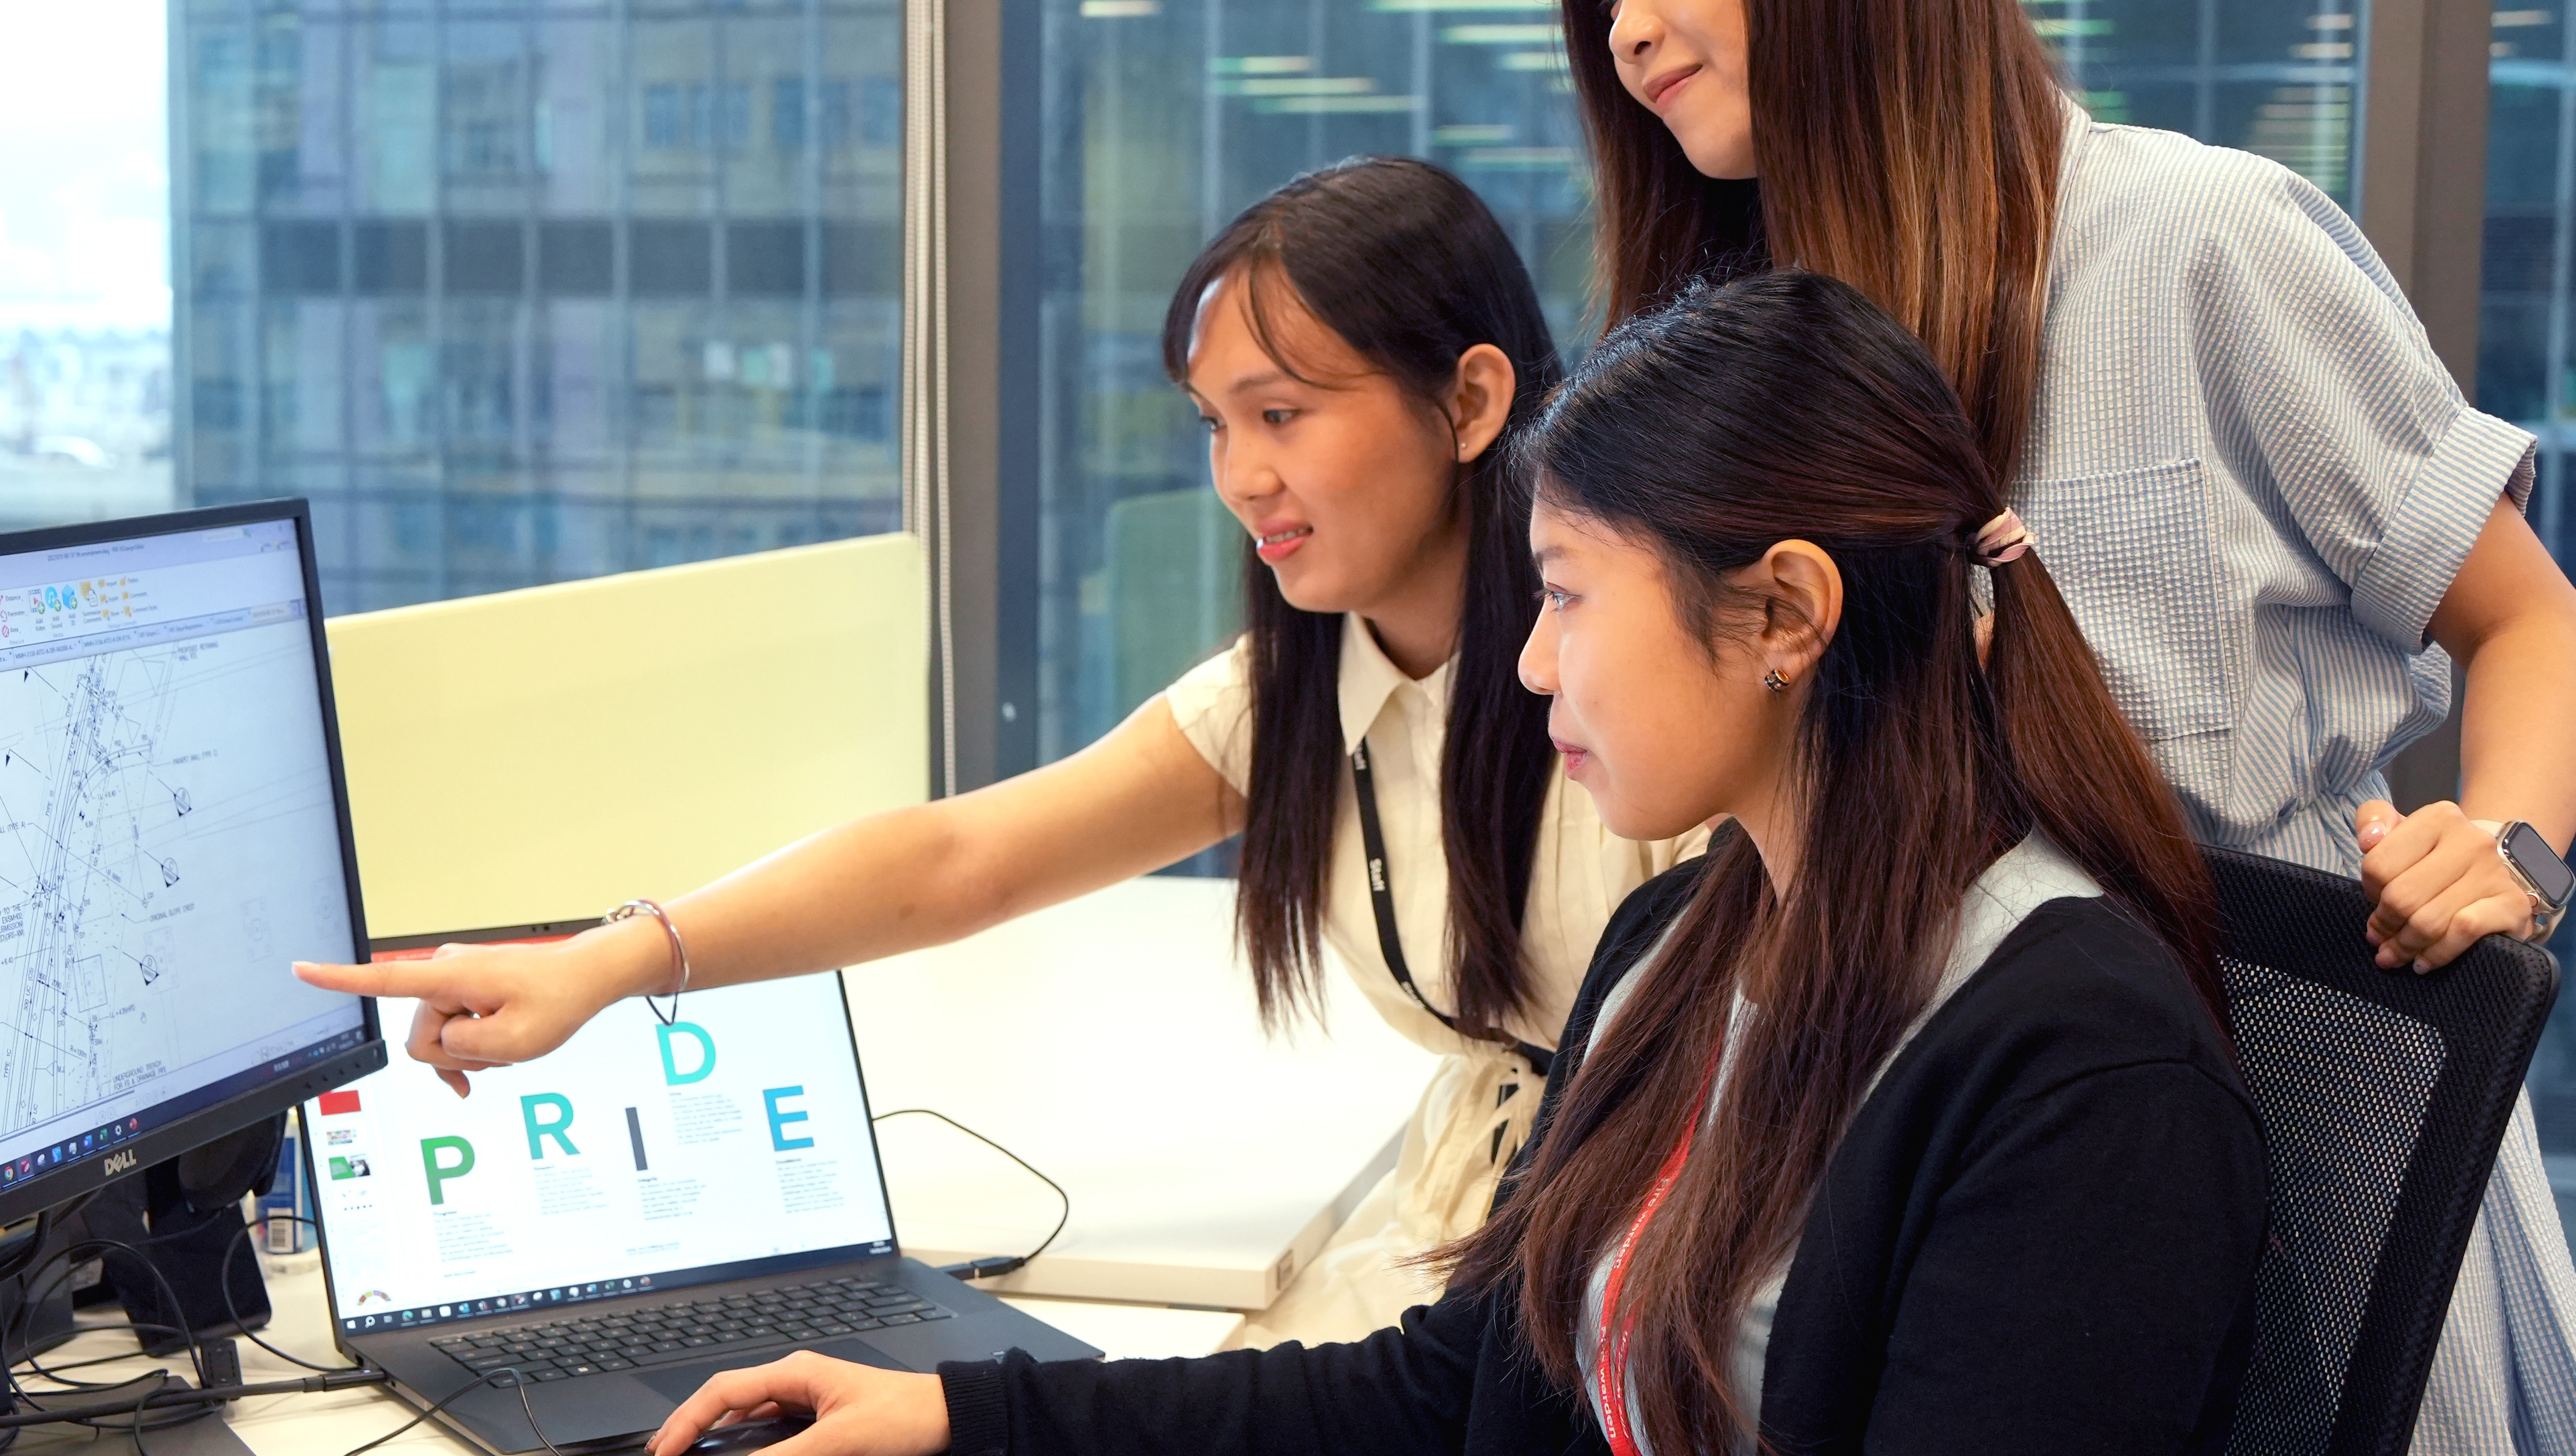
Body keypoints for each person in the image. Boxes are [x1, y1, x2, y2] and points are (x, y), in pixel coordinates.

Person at [646, 270, 2267, 1456]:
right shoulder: (1685, 944)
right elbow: (1456, 1387)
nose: (1535, 668)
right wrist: (959, 1415)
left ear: (1782, 614)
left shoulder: (2080, 1070)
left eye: (1568, 596)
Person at [1557, 0, 2576, 1455]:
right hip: (1942, 1190)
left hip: (2279, 1191)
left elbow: (2536, 622)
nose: (1629, 29)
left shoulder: (2196, 242)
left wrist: (2503, 845)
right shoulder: (1763, 354)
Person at [295, 157, 1702, 1349]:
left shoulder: (1631, 668)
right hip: (1475, 1230)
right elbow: (963, 859)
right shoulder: (1297, 691)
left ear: (1467, 402)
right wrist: (603, 964)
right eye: (1217, 427)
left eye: (1285, 414)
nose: (1242, 478)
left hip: (1654, 1242)